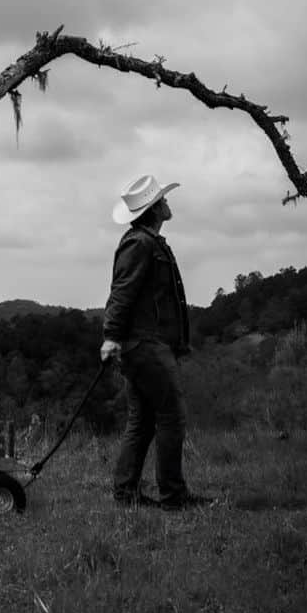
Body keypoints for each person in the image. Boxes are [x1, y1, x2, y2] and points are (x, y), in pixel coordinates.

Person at [100, 174, 213, 511]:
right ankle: (173, 497)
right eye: (163, 199)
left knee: (144, 420)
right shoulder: (140, 244)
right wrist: (110, 336)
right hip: (145, 346)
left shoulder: (149, 241)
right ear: (155, 209)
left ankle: (126, 494)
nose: (168, 203)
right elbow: (121, 293)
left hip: (146, 345)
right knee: (171, 417)